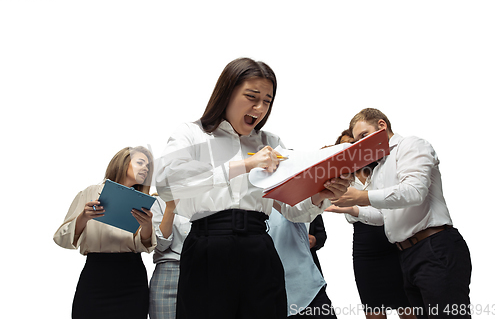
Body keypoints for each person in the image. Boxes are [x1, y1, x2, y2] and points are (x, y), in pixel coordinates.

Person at [155, 57, 352, 319]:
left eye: (267, 101)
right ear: (227, 92)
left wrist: (319, 196)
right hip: (207, 247)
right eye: (252, 97)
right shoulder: (193, 134)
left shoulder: (270, 142)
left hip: (259, 248)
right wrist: (244, 165)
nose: (260, 108)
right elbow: (169, 184)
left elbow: (293, 211)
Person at [332, 108, 472, 319]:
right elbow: (384, 215)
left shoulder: (411, 145)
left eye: (364, 135)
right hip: (406, 256)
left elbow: (414, 192)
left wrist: (361, 197)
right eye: (358, 140)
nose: (361, 144)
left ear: (382, 125)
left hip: (434, 247)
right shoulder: (379, 169)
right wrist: (353, 209)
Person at [53, 146, 157, 319]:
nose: (145, 168)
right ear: (123, 163)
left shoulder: (143, 202)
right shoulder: (90, 193)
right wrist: (83, 218)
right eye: (140, 162)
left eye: (148, 166)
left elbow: (146, 246)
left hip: (131, 278)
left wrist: (146, 226)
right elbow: (61, 238)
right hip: (96, 275)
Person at [326, 130, 415, 319]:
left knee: (408, 308)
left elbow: (388, 211)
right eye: (344, 145)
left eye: (354, 143)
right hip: (365, 250)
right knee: (374, 311)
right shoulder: (341, 179)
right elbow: (352, 217)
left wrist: (355, 208)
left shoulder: (381, 169)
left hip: (395, 245)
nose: (350, 148)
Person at [268, 208, 337, 318]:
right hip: (273, 285)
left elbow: (320, 234)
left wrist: (314, 240)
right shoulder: (256, 206)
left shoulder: (305, 203)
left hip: (307, 284)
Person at [149, 196, 191, 319]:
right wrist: (170, 208)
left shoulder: (208, 198)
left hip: (200, 269)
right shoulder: (158, 201)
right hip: (168, 272)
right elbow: (160, 245)